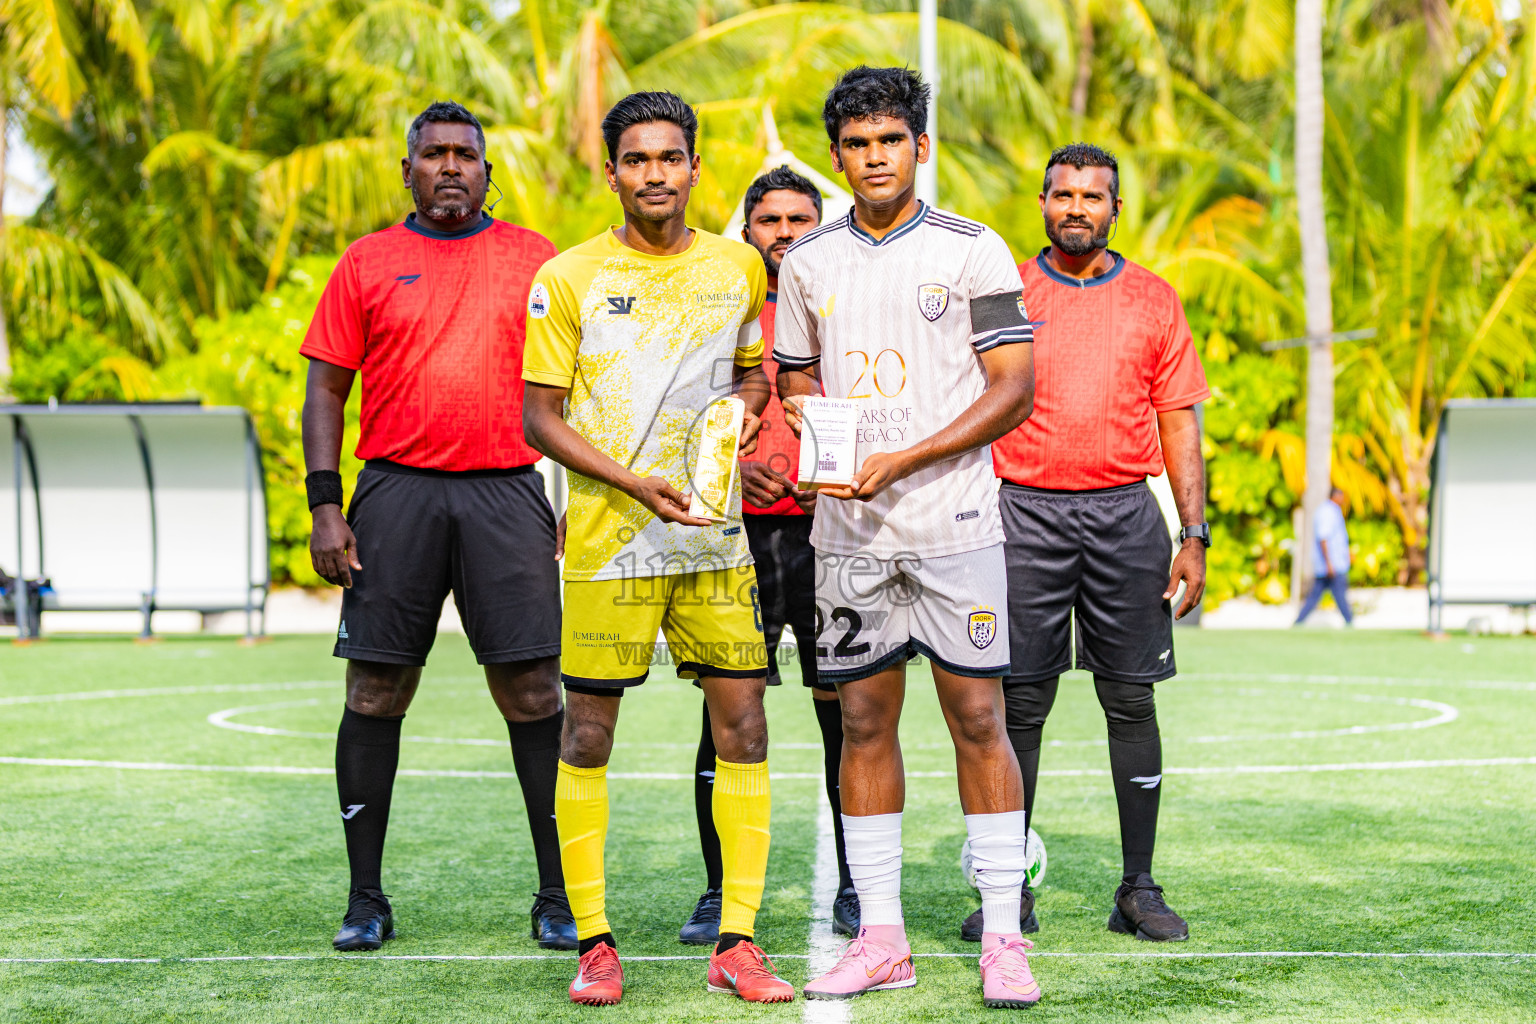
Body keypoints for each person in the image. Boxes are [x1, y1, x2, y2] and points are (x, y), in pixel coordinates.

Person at [774, 66, 1042, 1008]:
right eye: (855, 144)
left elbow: (1013, 389)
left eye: (890, 140)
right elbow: (795, 380)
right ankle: (882, 936)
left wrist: (906, 455)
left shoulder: (975, 251)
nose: (873, 157)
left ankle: (1004, 937)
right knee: (862, 721)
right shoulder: (806, 263)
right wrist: (824, 437)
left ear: (920, 147)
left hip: (954, 523)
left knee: (978, 719)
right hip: (849, 530)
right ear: (838, 155)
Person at [521, 91, 794, 1006]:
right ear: (613, 172)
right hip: (610, 542)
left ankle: (737, 941)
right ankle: (595, 943)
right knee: (588, 734)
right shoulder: (568, 278)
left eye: (669, 158)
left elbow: (757, 372)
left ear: (694, 168)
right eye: (635, 160)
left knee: (745, 726)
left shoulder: (738, 267)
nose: (653, 175)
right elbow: (540, 418)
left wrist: (743, 424)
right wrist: (636, 483)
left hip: (714, 543)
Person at [300, 101, 574, 953]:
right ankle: (365, 898)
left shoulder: (535, 260)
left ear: (488, 172)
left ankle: (558, 896)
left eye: (466, 155)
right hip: (395, 495)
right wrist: (324, 503)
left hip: (506, 491)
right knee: (376, 691)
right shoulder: (367, 261)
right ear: (409, 170)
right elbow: (324, 392)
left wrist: (567, 494)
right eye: (434, 154)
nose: (450, 166)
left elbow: (576, 388)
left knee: (533, 691)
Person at [979, 142, 1210, 944]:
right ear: (1042, 203)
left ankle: (1137, 888)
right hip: (1022, 516)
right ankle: (1007, 892)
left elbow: (1179, 417)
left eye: (1093, 196)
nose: (1077, 207)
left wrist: (1194, 533)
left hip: (1124, 517)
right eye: (1062, 194)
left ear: (1117, 208)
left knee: (1131, 698)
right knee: (1021, 704)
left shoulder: (1154, 299)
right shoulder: (1003, 287)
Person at [679, 167, 862, 945]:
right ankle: (719, 891)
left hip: (831, 538)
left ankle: (859, 883)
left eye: (799, 220)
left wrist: (839, 477)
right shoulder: (722, 310)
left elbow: (874, 402)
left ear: (819, 227)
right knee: (725, 716)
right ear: (747, 231)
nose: (784, 233)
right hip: (739, 539)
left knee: (848, 718)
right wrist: (726, 468)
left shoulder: (845, 306)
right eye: (769, 221)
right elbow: (682, 411)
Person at [1295, 487, 1354, 625]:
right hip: (1331, 564)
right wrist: (1329, 563)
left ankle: (1299, 622)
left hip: (1334, 563)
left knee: (1318, 595)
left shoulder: (1334, 511)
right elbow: (1323, 538)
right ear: (1336, 496)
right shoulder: (1327, 512)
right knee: (1337, 594)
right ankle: (1350, 621)